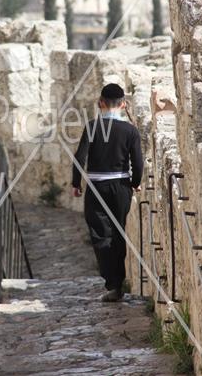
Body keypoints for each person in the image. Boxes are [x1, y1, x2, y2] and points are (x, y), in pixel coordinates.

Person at [72, 83, 143, 302]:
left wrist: (76, 183)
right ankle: (119, 280)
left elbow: (80, 157)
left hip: (96, 187)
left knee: (101, 234)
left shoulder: (92, 127)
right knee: (119, 230)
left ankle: (113, 284)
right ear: (123, 104)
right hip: (121, 187)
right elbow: (137, 162)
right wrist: (135, 182)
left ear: (100, 103)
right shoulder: (130, 130)